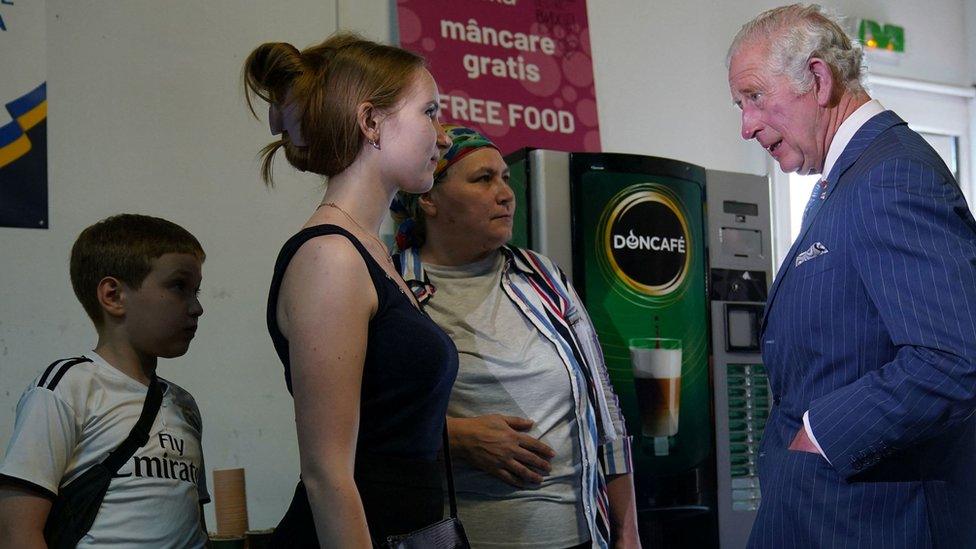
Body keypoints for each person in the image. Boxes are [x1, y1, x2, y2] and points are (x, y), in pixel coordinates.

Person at [727, 5, 976, 548]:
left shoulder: (893, 175)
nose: (745, 126)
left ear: (817, 79)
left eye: (753, 97)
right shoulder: (848, 179)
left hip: (867, 521)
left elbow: (954, 358)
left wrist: (822, 434)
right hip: (820, 515)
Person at [243, 33, 457, 547]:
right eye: (430, 112)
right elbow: (327, 475)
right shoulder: (330, 258)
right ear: (371, 122)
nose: (444, 137)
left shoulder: (371, 253)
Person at [390, 125, 640, 549]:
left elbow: (604, 406)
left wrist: (628, 533)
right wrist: (454, 438)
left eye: (505, 177)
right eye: (482, 179)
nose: (505, 193)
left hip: (580, 537)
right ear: (428, 198)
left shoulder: (541, 276)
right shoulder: (395, 289)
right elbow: (362, 427)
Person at [0, 213, 209, 548]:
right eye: (178, 286)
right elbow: (16, 531)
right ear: (113, 295)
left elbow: (192, 526)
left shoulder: (184, 406)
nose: (197, 307)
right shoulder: (69, 387)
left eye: (196, 290)